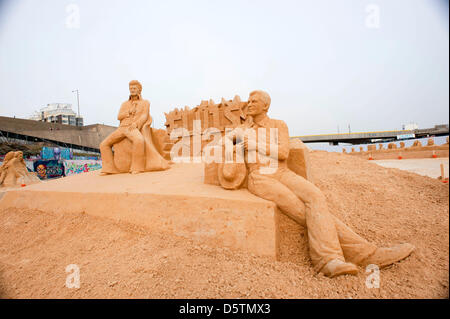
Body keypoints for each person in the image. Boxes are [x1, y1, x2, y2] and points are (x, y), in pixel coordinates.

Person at [239, 90, 414, 277]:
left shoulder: (278, 125)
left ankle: (361, 253)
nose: (248, 104)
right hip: (261, 177)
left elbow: (283, 153)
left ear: (265, 105)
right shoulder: (243, 131)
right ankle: (331, 260)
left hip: (282, 172)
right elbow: (224, 148)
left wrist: (256, 144)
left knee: (316, 196)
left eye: (253, 101)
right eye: (248, 101)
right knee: (300, 208)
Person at [100, 80, 149, 174]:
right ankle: (109, 168)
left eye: (134, 88)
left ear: (139, 90)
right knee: (104, 144)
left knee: (139, 140)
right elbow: (119, 116)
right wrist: (129, 112)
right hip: (122, 127)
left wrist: (137, 124)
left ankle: (137, 167)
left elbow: (144, 115)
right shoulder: (124, 104)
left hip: (132, 127)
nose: (132, 90)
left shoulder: (145, 103)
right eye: (130, 88)